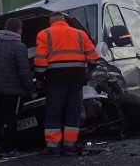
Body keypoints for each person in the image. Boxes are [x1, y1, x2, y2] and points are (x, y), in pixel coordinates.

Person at [34, 11, 98, 156]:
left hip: (55, 80)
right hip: (77, 78)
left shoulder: (44, 34)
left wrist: (40, 78)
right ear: (65, 21)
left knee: (53, 112)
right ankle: (70, 146)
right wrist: (87, 72)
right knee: (73, 111)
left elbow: (40, 61)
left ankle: (53, 147)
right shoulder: (80, 34)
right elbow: (93, 57)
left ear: (51, 22)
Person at [0, 17, 37, 158]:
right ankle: (9, 149)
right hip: (12, 90)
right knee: (11, 119)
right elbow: (24, 72)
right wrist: (32, 90)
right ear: (19, 29)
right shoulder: (19, 47)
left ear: (5, 28)